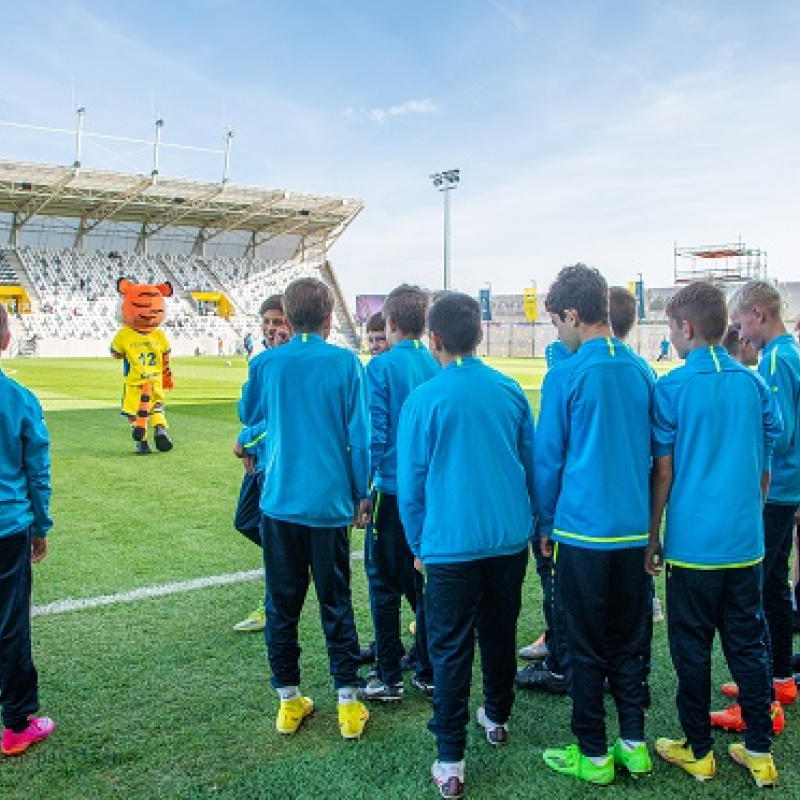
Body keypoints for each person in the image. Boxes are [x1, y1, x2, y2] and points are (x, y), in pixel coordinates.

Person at [397, 292, 534, 799]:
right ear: (478, 335)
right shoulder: (509, 390)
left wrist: (416, 542)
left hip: (451, 544)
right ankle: (496, 718)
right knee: (499, 632)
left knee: (451, 647)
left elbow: (410, 485)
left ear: (434, 339)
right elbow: (530, 463)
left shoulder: (424, 398)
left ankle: (451, 761)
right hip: (505, 538)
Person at [647, 282, 782, 787]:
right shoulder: (753, 385)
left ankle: (698, 750)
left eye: (670, 330)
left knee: (693, 649)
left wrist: (652, 535)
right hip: (745, 543)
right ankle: (760, 754)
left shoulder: (673, 388)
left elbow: (664, 472)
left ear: (685, 328)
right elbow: (766, 466)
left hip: (695, 549)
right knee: (748, 645)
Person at [536, 265, 654, 786]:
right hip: (632, 533)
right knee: (629, 641)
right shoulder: (643, 369)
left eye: (557, 324)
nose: (557, 335)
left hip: (583, 534)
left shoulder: (569, 372)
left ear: (573, 315)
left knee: (582, 645)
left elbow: (549, 458)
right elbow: (660, 456)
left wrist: (544, 519)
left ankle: (594, 754)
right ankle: (635, 745)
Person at [246, 278, 371, 740]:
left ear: (288, 317)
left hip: (280, 502)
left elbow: (249, 415)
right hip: (329, 505)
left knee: (282, 604)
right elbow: (359, 435)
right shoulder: (344, 362)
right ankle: (347, 706)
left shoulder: (267, 363)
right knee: (335, 602)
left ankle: (288, 701)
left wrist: (265, 360)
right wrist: (362, 492)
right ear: (328, 318)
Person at [715, 282, 800, 725]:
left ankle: (758, 702)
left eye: (740, 323)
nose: (739, 334)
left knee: (751, 598)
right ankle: (779, 680)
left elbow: (780, 435)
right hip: (786, 492)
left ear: (759, 314)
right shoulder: (788, 355)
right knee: (771, 589)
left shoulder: (776, 360)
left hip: (775, 492)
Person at [358, 285, 438, 704]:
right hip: (429, 494)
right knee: (423, 582)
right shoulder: (436, 365)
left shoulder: (382, 368)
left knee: (384, 585)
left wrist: (364, 489)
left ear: (390, 324)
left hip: (391, 491)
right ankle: (426, 670)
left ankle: (388, 676)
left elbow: (376, 434)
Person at [0, 304, 55, 756]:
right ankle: (17, 725)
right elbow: (36, 471)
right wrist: (40, 525)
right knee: (10, 623)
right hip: (7, 527)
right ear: (5, 339)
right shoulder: (18, 398)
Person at [232, 296, 290, 633]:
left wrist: (247, 441)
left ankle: (270, 605)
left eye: (278, 322)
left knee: (271, 533)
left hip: (276, 462)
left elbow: (279, 419)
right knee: (245, 521)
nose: (270, 328)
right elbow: (250, 412)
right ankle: (291, 567)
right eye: (267, 321)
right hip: (261, 457)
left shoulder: (286, 365)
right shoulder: (264, 362)